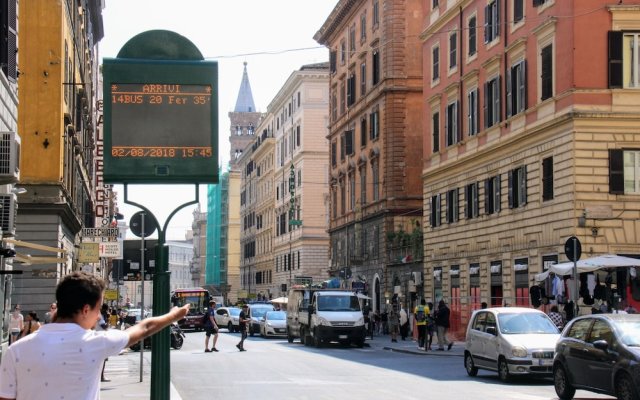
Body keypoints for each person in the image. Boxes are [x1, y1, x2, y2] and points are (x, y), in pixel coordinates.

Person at [0, 271, 189, 400]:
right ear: (85, 309)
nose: (99, 316)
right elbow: (144, 328)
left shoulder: (15, 350)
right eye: (98, 309)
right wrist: (174, 315)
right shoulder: (96, 343)